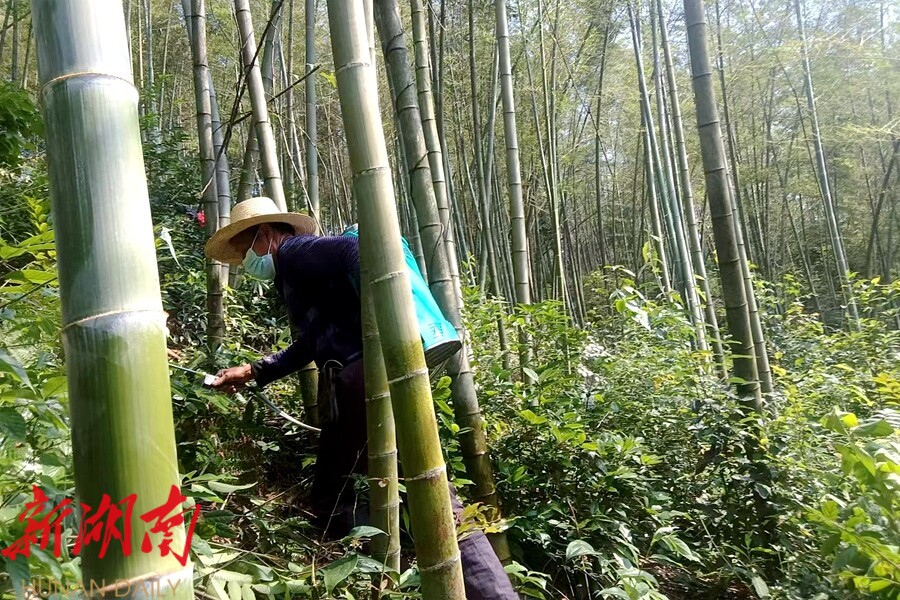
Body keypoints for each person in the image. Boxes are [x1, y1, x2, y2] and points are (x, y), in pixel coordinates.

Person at [205, 197, 518, 599]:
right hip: (363, 381)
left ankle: (387, 574)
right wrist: (254, 370)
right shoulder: (295, 271)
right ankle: (388, 567)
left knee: (389, 493)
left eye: (246, 249)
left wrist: (380, 338)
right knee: (383, 487)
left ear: (265, 235)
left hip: (363, 382)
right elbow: (312, 342)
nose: (247, 261)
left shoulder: (296, 252)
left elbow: (359, 251)